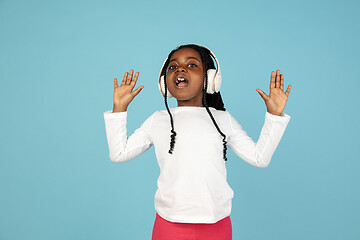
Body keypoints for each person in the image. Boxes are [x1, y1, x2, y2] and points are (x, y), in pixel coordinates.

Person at [103, 44, 292, 240]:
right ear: (163, 83)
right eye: (172, 67)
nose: (180, 70)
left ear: (210, 79)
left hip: (216, 226)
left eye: (192, 65)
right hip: (169, 225)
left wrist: (274, 115)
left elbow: (259, 158)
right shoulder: (157, 120)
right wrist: (119, 109)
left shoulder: (222, 120)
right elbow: (118, 154)